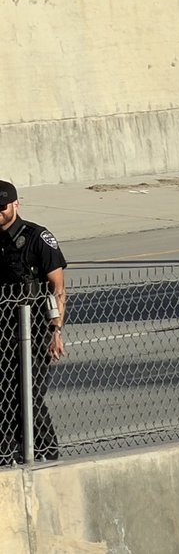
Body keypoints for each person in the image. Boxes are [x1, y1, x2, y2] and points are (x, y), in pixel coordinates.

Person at [0, 180, 65, 464]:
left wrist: (56, 330)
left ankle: (47, 452)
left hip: (35, 329)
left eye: (2, 207)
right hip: (3, 330)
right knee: (4, 396)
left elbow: (57, 288)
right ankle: (6, 454)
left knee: (29, 395)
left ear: (16, 204)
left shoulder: (38, 237)